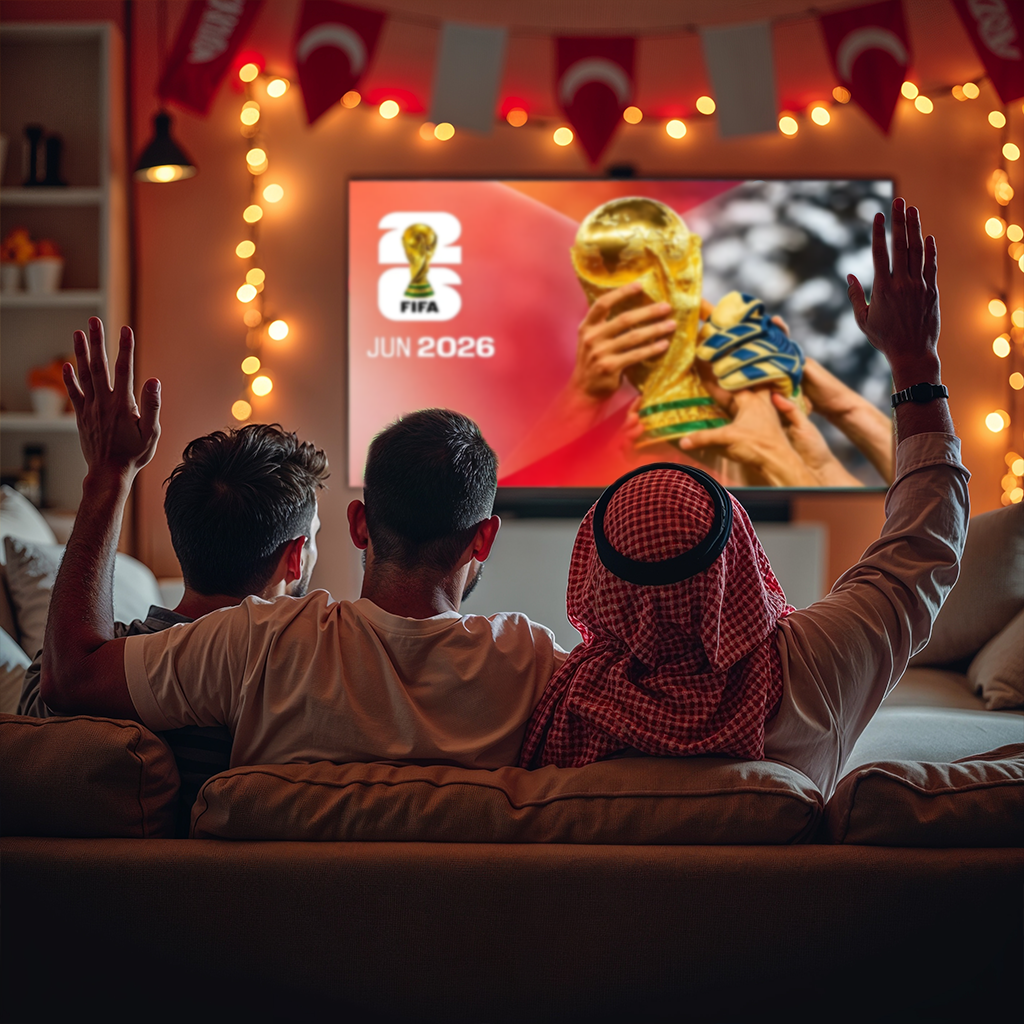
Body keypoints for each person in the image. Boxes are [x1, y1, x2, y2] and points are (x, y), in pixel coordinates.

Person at [520, 198, 969, 800]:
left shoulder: (552, 702)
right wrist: (915, 361)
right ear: (744, 556)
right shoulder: (820, 672)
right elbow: (924, 544)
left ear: (591, 579)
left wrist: (573, 408)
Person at [39, 328, 566, 770]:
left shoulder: (257, 642)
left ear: (359, 524)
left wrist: (108, 474)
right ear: (484, 538)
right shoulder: (537, 665)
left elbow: (70, 679)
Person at [20, 347, 327, 828]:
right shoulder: (310, 679)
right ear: (295, 557)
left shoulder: (59, 674)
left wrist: (110, 473)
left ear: (183, 537)